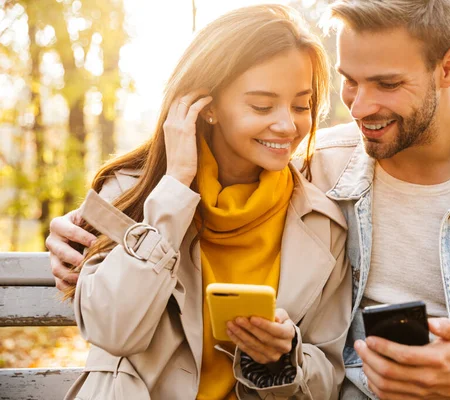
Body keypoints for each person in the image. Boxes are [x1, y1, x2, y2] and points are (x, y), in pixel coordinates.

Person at [49, 1, 450, 399]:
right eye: (349, 83)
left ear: (449, 68)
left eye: (387, 83)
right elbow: (154, 201)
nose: (359, 108)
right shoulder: (325, 166)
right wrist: (90, 230)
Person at [47, 5, 352, 399]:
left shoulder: (322, 223)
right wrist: (174, 189)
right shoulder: (129, 192)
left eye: (301, 105)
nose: (288, 125)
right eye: (262, 105)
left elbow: (327, 379)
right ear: (206, 106)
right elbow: (113, 331)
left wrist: (282, 360)